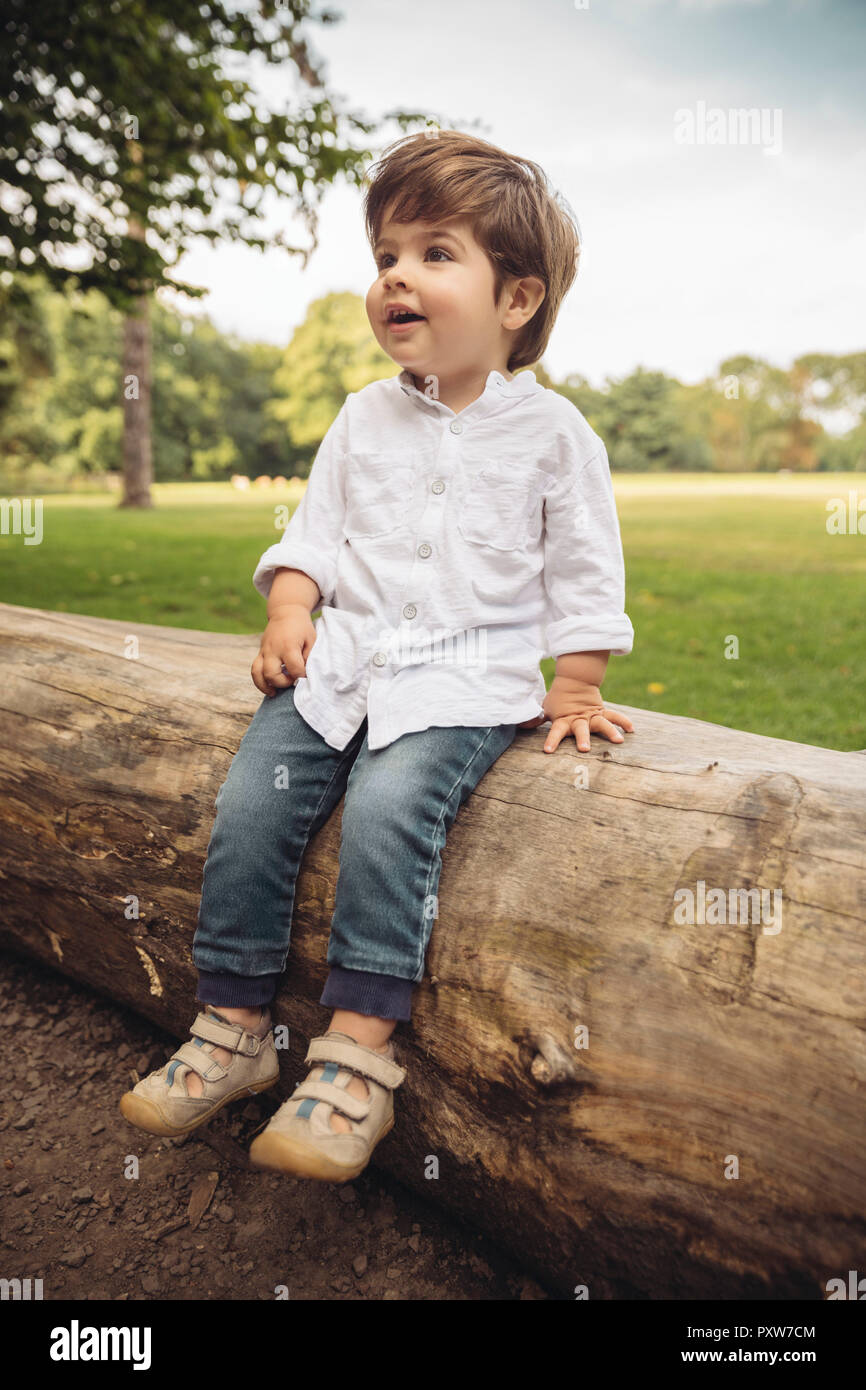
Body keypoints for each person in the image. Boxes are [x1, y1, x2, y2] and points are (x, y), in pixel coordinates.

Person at [119, 128, 635, 1184]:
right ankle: (231, 1028)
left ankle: (355, 1057)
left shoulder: (552, 437)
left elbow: (583, 566)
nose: (396, 274)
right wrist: (291, 608)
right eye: (386, 253)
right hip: (343, 664)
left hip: (462, 678)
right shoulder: (359, 420)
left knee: (396, 804)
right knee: (255, 803)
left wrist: (574, 680)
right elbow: (311, 534)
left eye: (434, 252)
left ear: (516, 300)